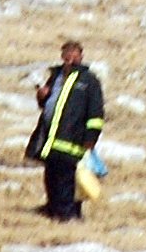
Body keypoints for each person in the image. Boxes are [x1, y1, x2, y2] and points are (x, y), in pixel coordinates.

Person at [25, 39, 104, 221]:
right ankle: (52, 209)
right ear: (62, 56)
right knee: (51, 175)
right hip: (51, 137)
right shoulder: (56, 76)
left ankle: (68, 215)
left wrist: (90, 139)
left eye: (74, 54)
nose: (70, 58)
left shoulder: (89, 81)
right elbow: (48, 104)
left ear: (81, 56)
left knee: (67, 178)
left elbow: (95, 113)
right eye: (66, 54)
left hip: (72, 139)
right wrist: (42, 97)